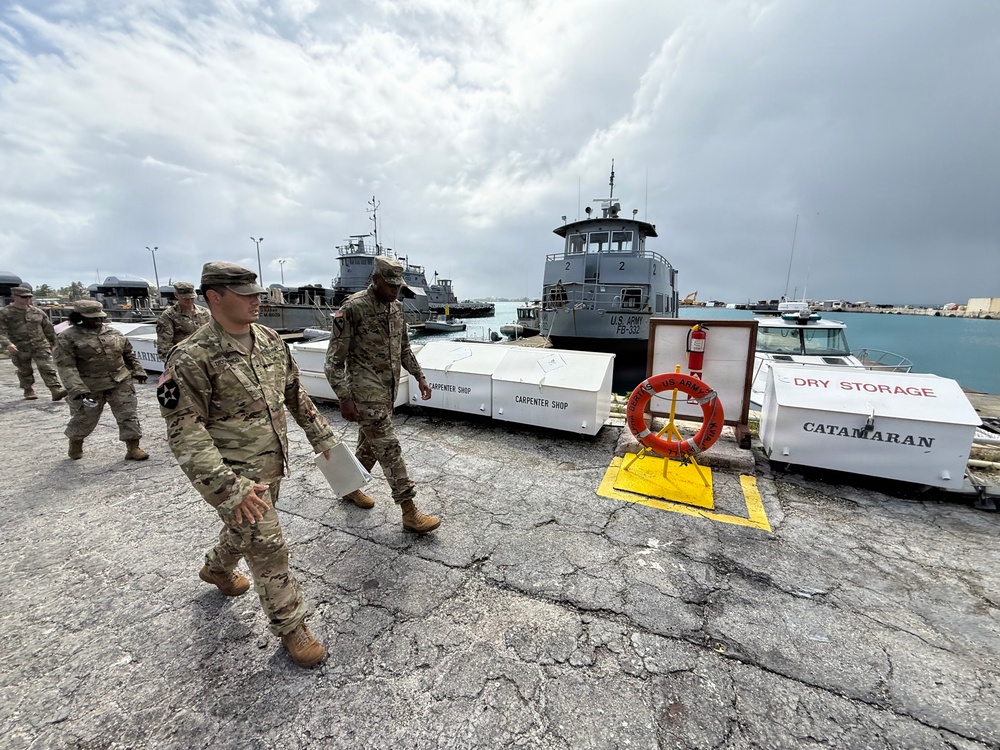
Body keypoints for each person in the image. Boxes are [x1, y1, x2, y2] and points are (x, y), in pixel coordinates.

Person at [158, 262, 339, 669]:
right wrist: (229, 489)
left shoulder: (272, 340)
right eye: (245, 293)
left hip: (272, 463)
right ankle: (292, 626)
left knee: (245, 530)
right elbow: (185, 432)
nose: (257, 298)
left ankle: (216, 569)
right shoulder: (190, 357)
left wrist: (323, 437)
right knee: (268, 545)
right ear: (214, 297)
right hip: (233, 475)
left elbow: (295, 394)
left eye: (256, 291)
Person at [324, 255, 440, 533]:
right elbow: (332, 362)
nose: (394, 291)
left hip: (386, 391)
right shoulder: (353, 309)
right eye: (389, 285)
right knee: (389, 448)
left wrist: (420, 376)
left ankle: (350, 488)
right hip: (364, 393)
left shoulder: (397, 309)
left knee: (369, 446)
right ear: (375, 280)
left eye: (398, 286)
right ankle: (409, 511)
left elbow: (404, 350)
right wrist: (344, 397)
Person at [54, 300, 148, 460]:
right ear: (79, 317)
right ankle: (76, 442)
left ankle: (133, 447)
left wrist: (138, 370)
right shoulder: (67, 338)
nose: (97, 320)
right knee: (85, 418)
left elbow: (128, 354)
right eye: (92, 317)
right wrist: (77, 388)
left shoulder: (114, 333)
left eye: (99, 316)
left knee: (128, 415)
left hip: (120, 380)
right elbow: (66, 366)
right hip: (89, 386)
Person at [0, 286, 67, 401]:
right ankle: (28, 389)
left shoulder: (37, 312)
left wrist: (54, 343)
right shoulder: (5, 313)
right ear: (14, 297)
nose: (27, 299)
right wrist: (8, 344)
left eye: (29, 297)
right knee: (25, 370)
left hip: (40, 344)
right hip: (19, 346)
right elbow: (1, 331)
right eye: (24, 297)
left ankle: (55, 389)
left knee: (47, 367)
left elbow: (48, 328)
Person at [155, 281, 211, 362]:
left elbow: (214, 335)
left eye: (192, 298)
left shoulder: (205, 313)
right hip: (183, 361)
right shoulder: (169, 316)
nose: (189, 301)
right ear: (176, 295)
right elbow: (164, 346)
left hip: (206, 359)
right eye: (185, 298)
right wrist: (174, 364)